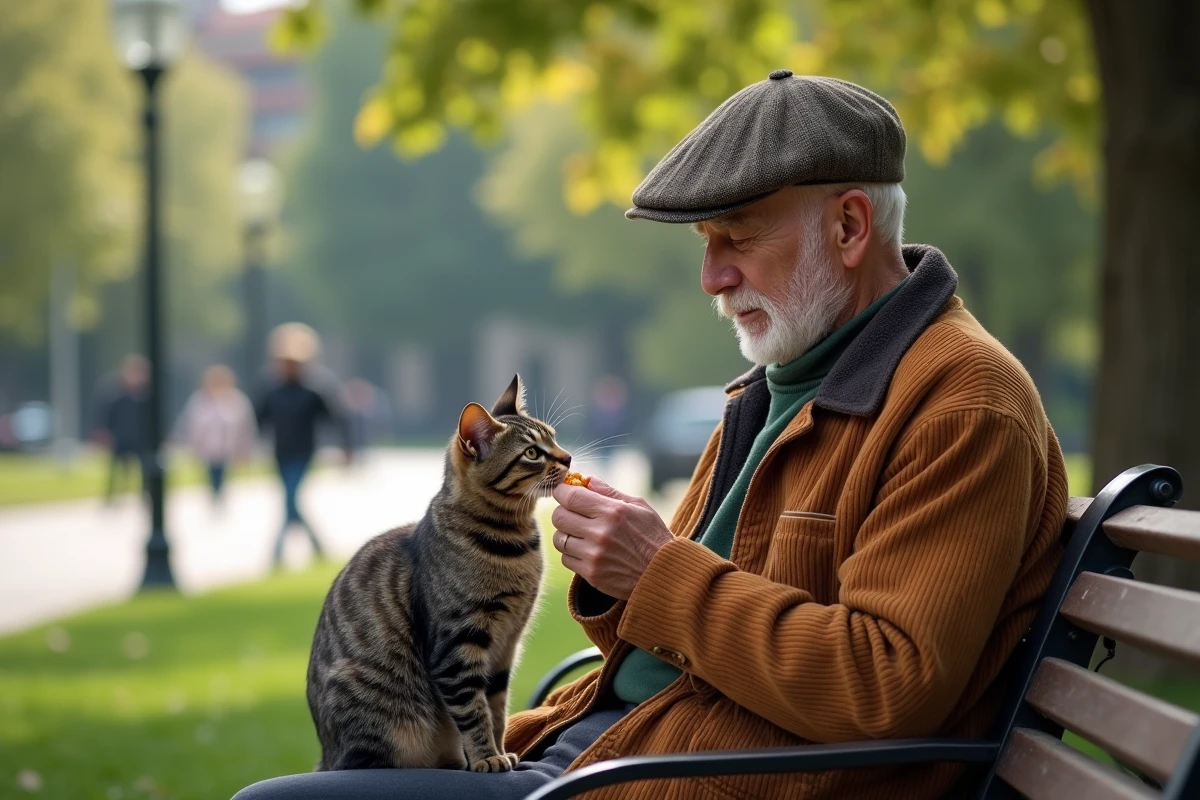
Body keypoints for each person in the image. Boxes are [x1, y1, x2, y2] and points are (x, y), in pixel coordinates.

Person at [235, 73, 1067, 800]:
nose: (712, 277)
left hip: (678, 777)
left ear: (850, 229)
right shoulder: (775, 386)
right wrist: (622, 577)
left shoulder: (963, 403)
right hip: (611, 747)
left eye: (737, 237)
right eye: (706, 246)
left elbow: (886, 685)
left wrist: (658, 569)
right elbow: (690, 642)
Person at [255, 323, 348, 566]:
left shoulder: (313, 390)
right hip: (280, 452)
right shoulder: (271, 389)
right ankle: (319, 548)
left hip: (303, 452)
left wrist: (345, 448)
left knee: (290, 500)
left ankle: (276, 555)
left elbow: (336, 419)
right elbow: (258, 418)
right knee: (291, 501)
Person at [178, 365, 256, 506]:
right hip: (209, 449)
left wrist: (245, 449)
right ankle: (216, 494)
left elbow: (245, 428)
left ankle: (219, 494)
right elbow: (192, 427)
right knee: (213, 473)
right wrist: (193, 448)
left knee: (222, 473)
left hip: (228, 448)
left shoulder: (237, 400)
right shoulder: (200, 401)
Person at [95, 355, 148, 504]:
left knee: (144, 469)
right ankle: (111, 498)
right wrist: (104, 432)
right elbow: (106, 415)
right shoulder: (115, 394)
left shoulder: (144, 395)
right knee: (115, 470)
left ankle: (145, 496)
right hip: (120, 437)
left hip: (139, 438)